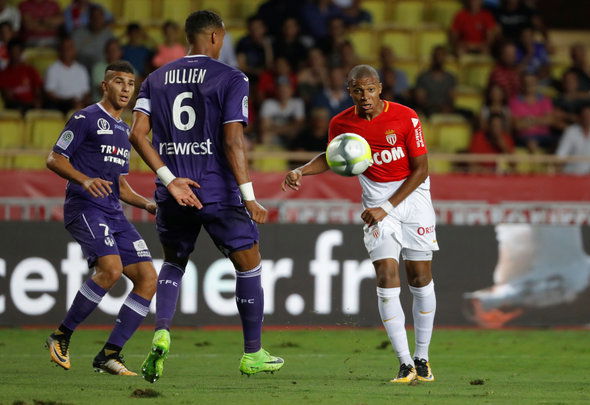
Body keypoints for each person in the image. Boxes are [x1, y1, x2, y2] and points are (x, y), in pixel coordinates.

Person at [129, 10, 284, 383]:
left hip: (173, 192)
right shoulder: (232, 78)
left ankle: (162, 331)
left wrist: (170, 181)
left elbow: (136, 134)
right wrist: (249, 197)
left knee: (173, 262)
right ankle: (252, 354)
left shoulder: (155, 78)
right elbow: (233, 141)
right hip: (216, 191)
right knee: (249, 262)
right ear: (215, 36)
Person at [283, 64, 438, 383]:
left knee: (420, 278)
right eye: (357, 90)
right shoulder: (341, 123)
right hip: (375, 203)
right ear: (349, 92)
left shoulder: (406, 117)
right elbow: (332, 156)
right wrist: (301, 170)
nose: (364, 96)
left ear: (380, 88)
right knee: (386, 274)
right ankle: (405, 363)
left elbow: (421, 169)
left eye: (369, 89)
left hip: (413, 198)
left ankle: (422, 357)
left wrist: (387, 207)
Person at [45, 60, 158, 375]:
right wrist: (84, 180)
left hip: (113, 212)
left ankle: (110, 353)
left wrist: (148, 205)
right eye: (119, 82)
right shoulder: (85, 118)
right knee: (111, 269)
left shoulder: (123, 130)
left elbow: (120, 186)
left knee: (148, 278)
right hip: (85, 207)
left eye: (130, 84)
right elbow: (54, 158)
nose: (126, 89)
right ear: (105, 86)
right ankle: (60, 336)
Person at [44, 36, 90, 114]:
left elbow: (86, 92)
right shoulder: (52, 69)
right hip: (61, 105)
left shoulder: (81, 69)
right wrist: (68, 101)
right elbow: (49, 93)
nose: (67, 50)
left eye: (70, 47)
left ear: (74, 50)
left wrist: (83, 102)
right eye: (65, 47)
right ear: (60, 50)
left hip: (79, 104)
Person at [0, 38, 43, 112]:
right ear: (9, 52)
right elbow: (8, 98)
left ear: (22, 52)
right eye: (13, 51)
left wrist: (37, 101)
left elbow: (38, 91)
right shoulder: (3, 74)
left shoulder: (31, 70)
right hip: (16, 107)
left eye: (18, 51)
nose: (15, 54)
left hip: (32, 107)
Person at [556, 104, 590, 174]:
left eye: (589, 116)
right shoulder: (571, 132)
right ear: (580, 117)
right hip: (571, 175)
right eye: (585, 116)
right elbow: (561, 155)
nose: (587, 118)